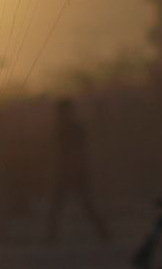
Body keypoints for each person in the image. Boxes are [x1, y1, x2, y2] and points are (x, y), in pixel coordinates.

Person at [44, 97, 110, 245]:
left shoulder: (70, 129)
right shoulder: (70, 128)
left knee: (65, 206)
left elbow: (74, 152)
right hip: (71, 171)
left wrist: (72, 169)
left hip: (72, 172)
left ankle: (50, 237)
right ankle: (103, 233)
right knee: (77, 205)